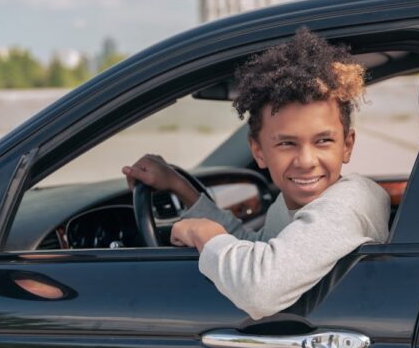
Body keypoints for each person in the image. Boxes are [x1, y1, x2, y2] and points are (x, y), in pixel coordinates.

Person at [122, 28, 391, 319]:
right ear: (259, 151)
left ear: (347, 146)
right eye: (287, 143)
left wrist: (202, 233)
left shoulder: (347, 205)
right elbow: (255, 247)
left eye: (323, 141)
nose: (306, 160)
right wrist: (180, 187)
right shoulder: (295, 202)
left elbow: (259, 290)